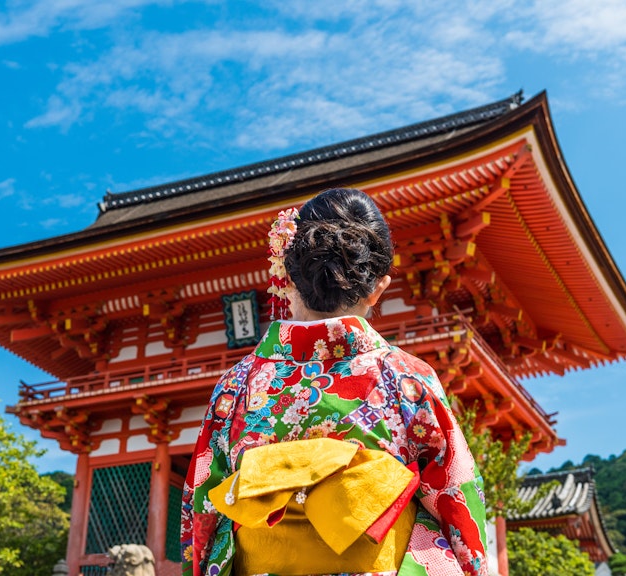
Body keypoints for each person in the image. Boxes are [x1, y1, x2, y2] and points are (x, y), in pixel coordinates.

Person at [181, 188, 488, 576]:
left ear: (288, 275)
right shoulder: (407, 378)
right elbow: (456, 500)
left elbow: (203, 512)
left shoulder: (236, 385)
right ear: (379, 287)